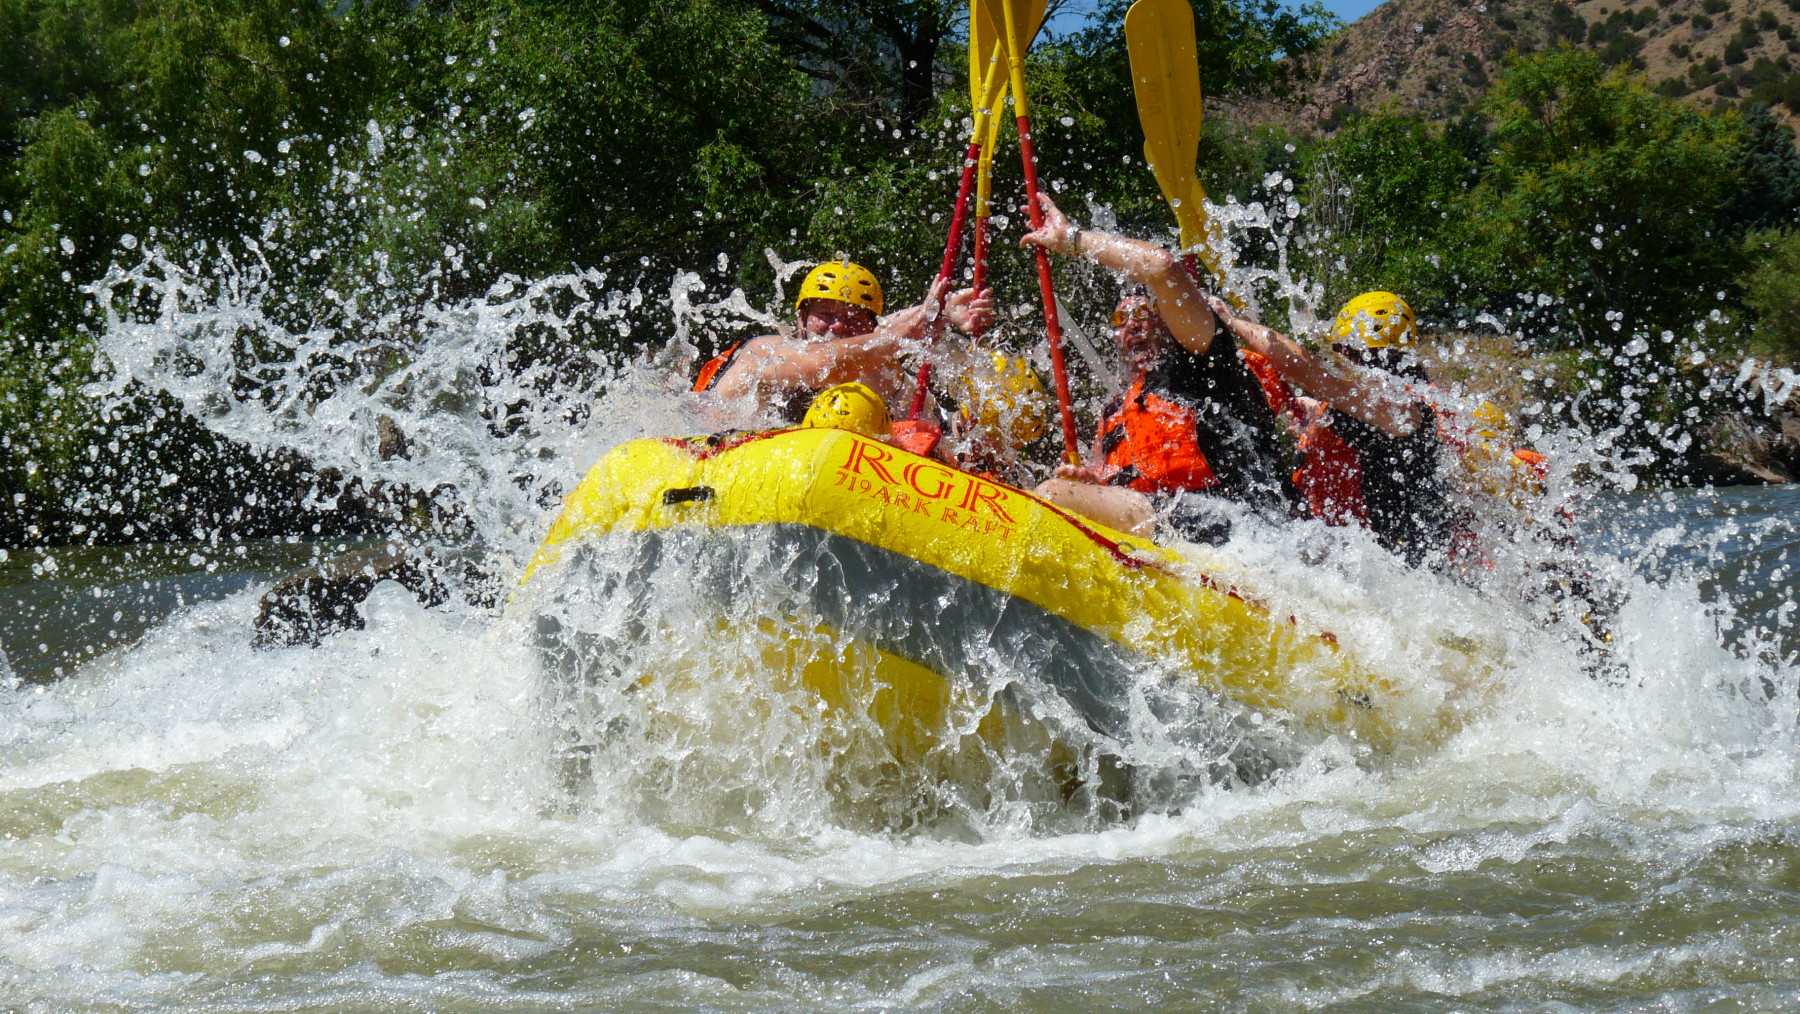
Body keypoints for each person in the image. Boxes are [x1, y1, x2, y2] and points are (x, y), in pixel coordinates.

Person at [1016, 193, 1295, 541]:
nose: (1133, 324)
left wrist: (1070, 239)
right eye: (1122, 318)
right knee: (1066, 492)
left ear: (1167, 323)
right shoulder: (1114, 411)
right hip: (1172, 527)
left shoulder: (1203, 365)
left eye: (1145, 314)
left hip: (1240, 524)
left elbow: (1162, 268)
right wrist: (1095, 486)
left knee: (1054, 496)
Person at [1206, 290, 1452, 567]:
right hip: (1349, 556)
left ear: (1350, 351)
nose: (1336, 357)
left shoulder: (1399, 406)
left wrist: (1232, 321)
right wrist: (1317, 419)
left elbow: (1306, 368)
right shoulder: (1382, 404)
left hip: (1396, 568)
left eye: (1339, 350)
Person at [695, 259, 993, 424]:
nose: (837, 326)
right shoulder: (763, 351)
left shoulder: (875, 365)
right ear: (802, 320)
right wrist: (908, 331)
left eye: (853, 319)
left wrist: (946, 310)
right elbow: (822, 365)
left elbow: (880, 337)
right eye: (825, 314)